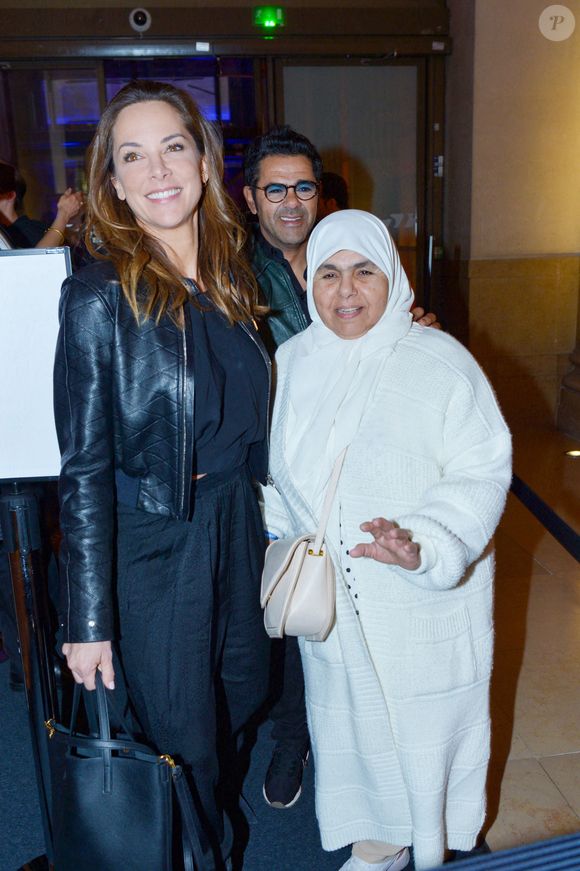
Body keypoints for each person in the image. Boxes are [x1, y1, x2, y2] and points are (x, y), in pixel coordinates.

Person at [53, 80, 271, 870]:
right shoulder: (98, 295)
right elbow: (82, 467)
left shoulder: (233, 274)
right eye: (132, 156)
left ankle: (203, 830)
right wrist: (87, 617)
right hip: (154, 538)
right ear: (111, 182)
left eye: (173, 147)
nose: (158, 170)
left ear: (204, 162)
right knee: (183, 738)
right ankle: (198, 854)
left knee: (244, 688)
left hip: (235, 519)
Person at [260, 209, 512, 871]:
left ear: (392, 277)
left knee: (420, 741)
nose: (345, 291)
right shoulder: (292, 362)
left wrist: (424, 544)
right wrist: (275, 530)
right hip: (334, 600)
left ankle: (415, 847)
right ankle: (380, 844)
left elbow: (480, 472)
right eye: (328, 274)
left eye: (364, 271)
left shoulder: (440, 362)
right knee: (356, 731)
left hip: (418, 596)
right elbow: (276, 474)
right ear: (309, 284)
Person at [242, 125, 440, 810]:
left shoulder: (350, 253)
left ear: (320, 194)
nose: (290, 201)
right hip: (286, 475)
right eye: (275, 189)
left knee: (369, 617)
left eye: (303, 187)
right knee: (301, 607)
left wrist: (413, 333)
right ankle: (293, 737)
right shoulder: (234, 276)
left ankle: (379, 754)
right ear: (251, 198)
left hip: (366, 466)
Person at [0, 161, 83, 249]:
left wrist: (64, 214)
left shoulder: (31, 231)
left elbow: (39, 257)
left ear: (10, 195)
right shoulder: (5, 232)